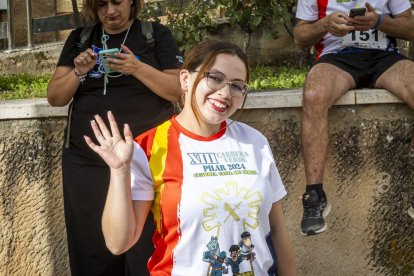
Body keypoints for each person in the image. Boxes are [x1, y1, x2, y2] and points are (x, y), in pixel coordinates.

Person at [84, 39, 297, 275]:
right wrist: (119, 171)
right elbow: (118, 243)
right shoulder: (150, 147)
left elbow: (276, 229)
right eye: (215, 78)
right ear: (185, 79)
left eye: (237, 86)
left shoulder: (254, 142)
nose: (225, 93)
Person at [47, 0, 183, 274]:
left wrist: (137, 68)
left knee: (147, 245)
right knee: (92, 246)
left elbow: (177, 89)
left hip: (147, 161)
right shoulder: (81, 38)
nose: (110, 11)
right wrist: (78, 71)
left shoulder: (154, 35)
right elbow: (55, 97)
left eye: (117, 2)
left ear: (132, 2)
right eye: (101, 5)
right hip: (88, 163)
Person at [293, 0, 414, 235]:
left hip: (385, 56)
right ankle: (314, 196)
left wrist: (379, 21)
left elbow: (410, 28)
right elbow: (300, 36)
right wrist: (324, 25)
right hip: (337, 57)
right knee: (313, 94)